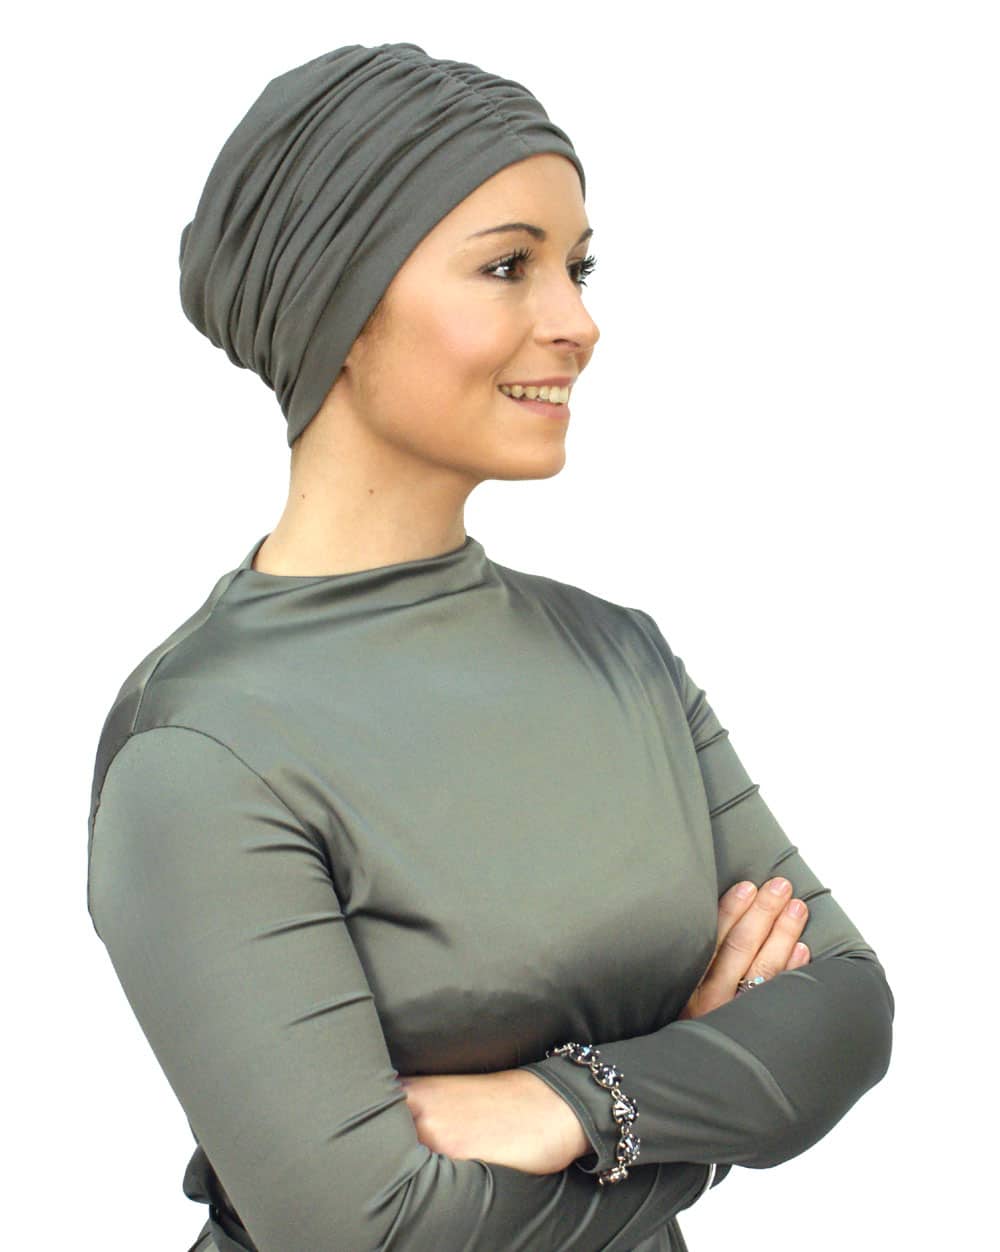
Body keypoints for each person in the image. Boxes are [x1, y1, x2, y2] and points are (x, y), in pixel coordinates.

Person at [85, 43, 894, 1252]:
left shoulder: (622, 657)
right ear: (337, 304)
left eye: (578, 267)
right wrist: (691, 1101)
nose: (578, 322)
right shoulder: (200, 748)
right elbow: (370, 1232)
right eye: (509, 266)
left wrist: (565, 1105)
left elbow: (846, 1007)